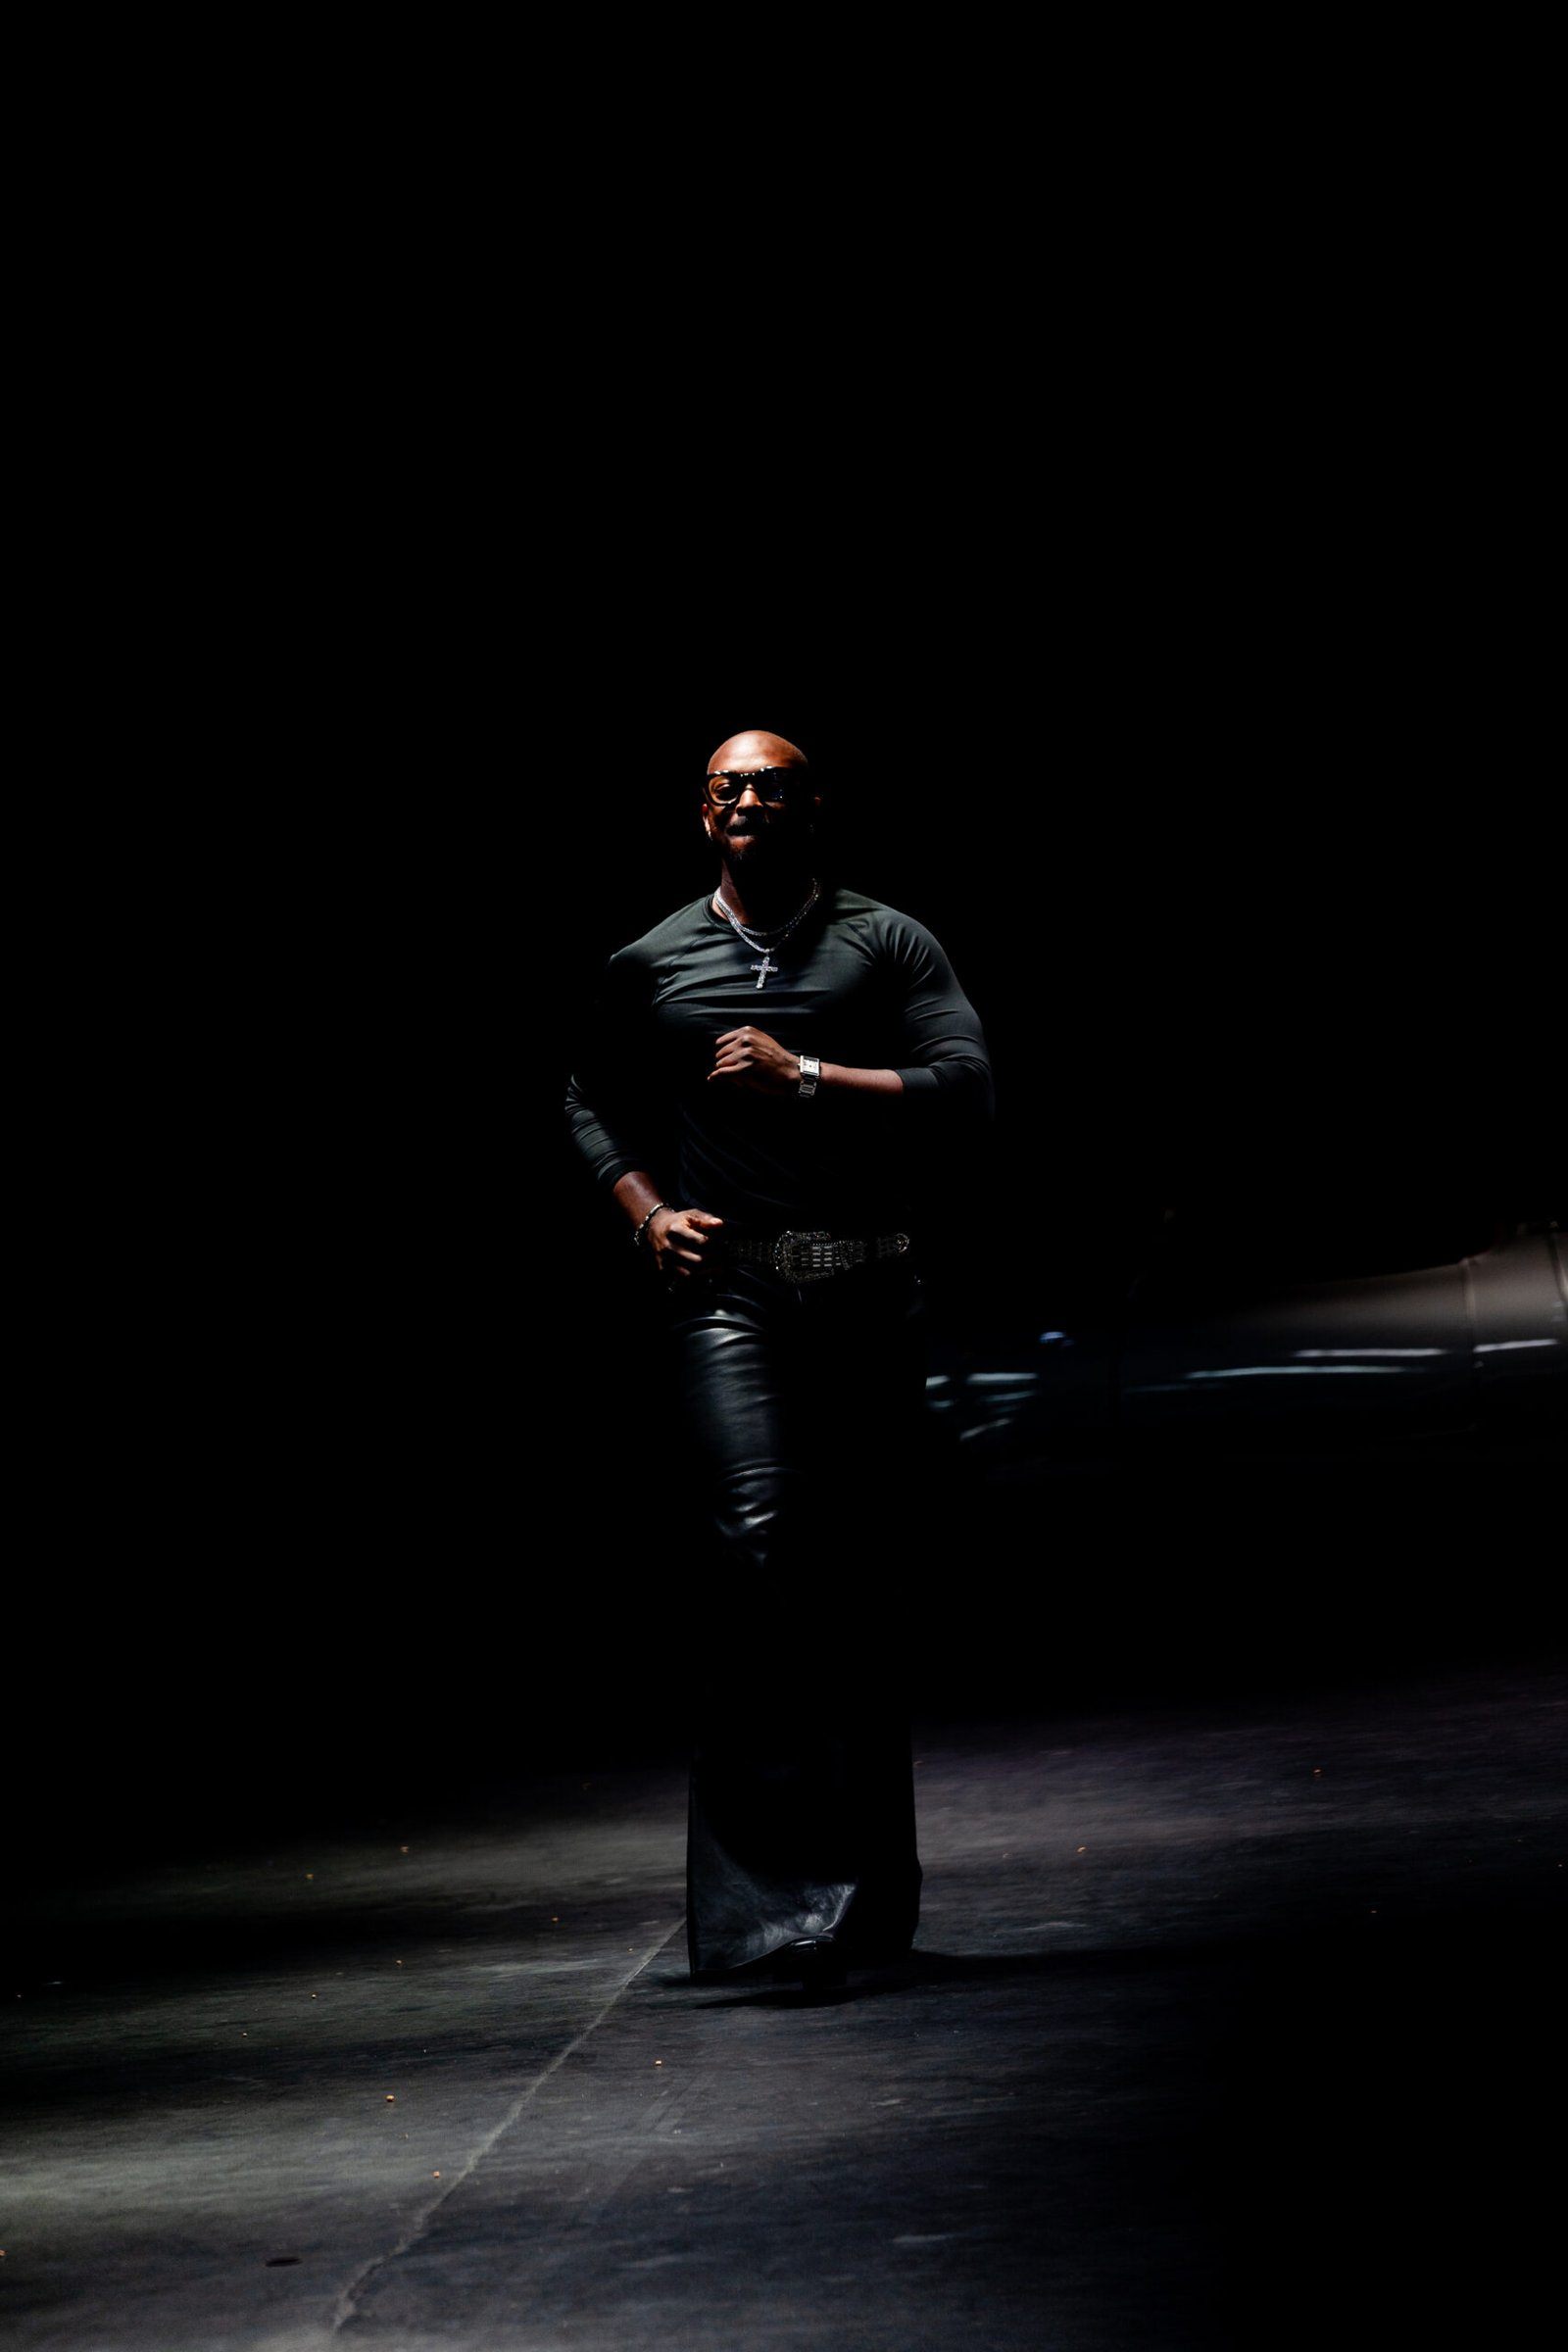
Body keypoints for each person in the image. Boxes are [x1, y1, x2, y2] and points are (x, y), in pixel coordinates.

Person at [564, 729, 995, 1992]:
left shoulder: (886, 939)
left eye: (770, 784)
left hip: (866, 1287)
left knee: (859, 1580)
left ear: (812, 807)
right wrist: (645, 1211)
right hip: (734, 1295)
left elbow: (966, 1088)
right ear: (705, 815)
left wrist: (805, 1074)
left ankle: (863, 1908)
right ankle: (767, 1915)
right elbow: (586, 1096)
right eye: (727, 787)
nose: (747, 798)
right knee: (760, 1553)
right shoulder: (654, 957)